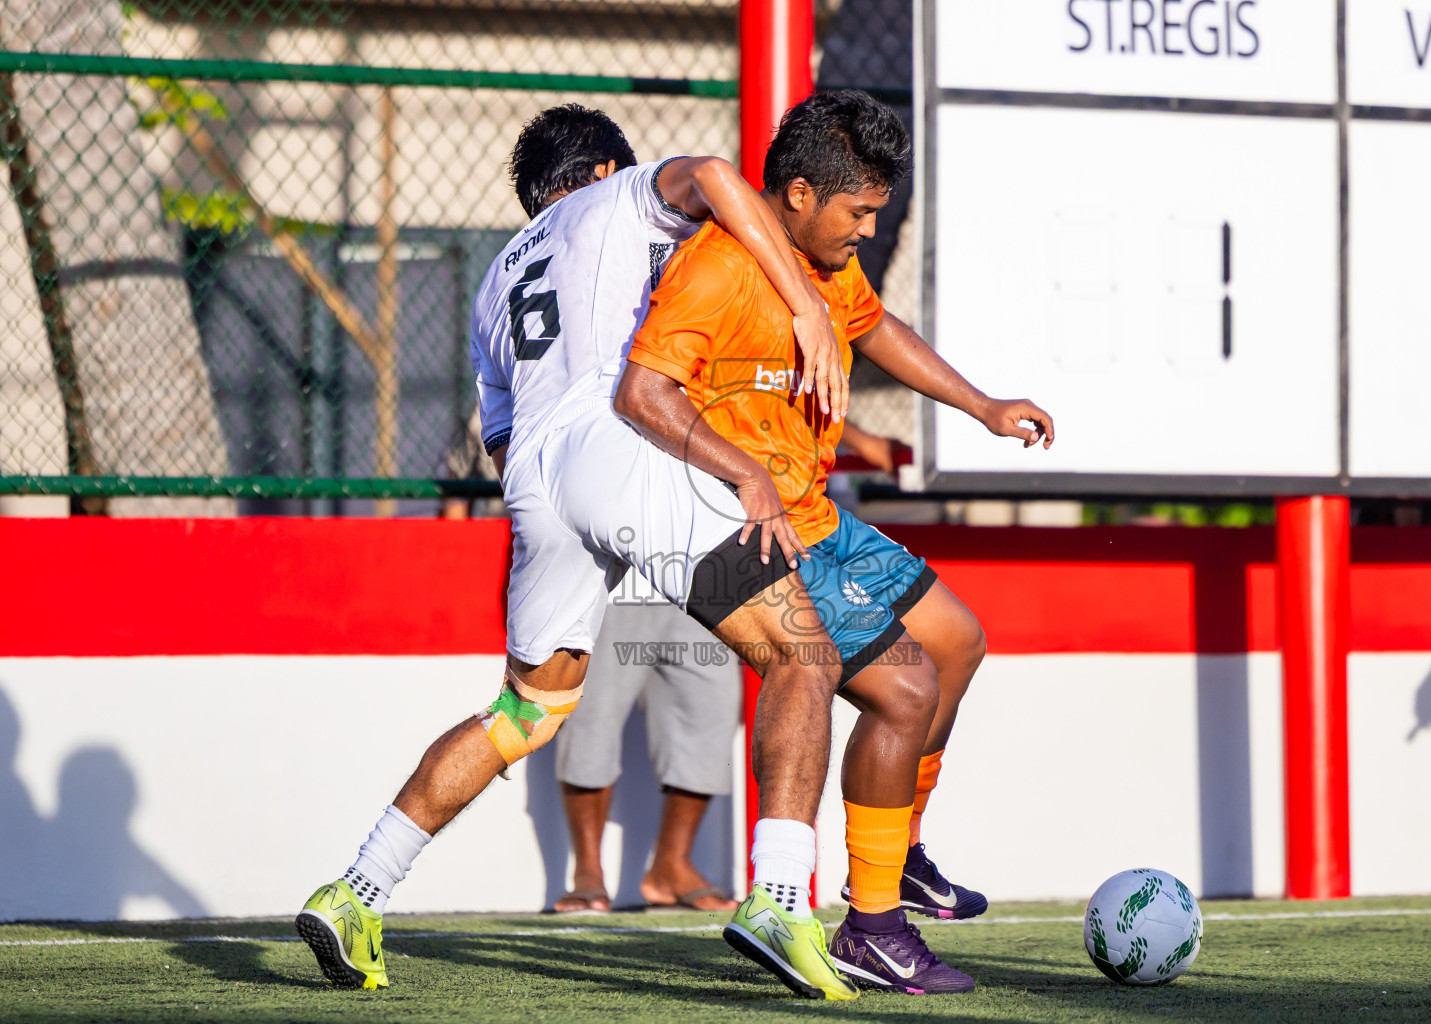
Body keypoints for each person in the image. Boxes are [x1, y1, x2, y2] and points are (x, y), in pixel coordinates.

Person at [294, 104, 862, 1001]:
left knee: (526, 712)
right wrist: (808, 310)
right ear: (601, 172)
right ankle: (781, 898)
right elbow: (714, 172)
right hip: (614, 444)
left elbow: (501, 434)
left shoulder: (493, 282)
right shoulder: (616, 199)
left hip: (533, 484)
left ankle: (357, 889)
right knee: (804, 655)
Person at [616, 90, 1055, 995]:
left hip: (821, 513)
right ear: (802, 193)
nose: (866, 230)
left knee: (957, 640)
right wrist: (742, 472)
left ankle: (900, 858)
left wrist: (981, 405)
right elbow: (643, 394)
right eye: (859, 213)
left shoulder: (820, 266)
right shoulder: (717, 270)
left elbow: (876, 327)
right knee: (904, 690)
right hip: (750, 528)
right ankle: (875, 923)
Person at [552, 572, 739, 914]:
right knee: (592, 714)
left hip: (705, 576)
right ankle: (588, 872)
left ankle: (672, 866)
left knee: (710, 713)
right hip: (615, 574)